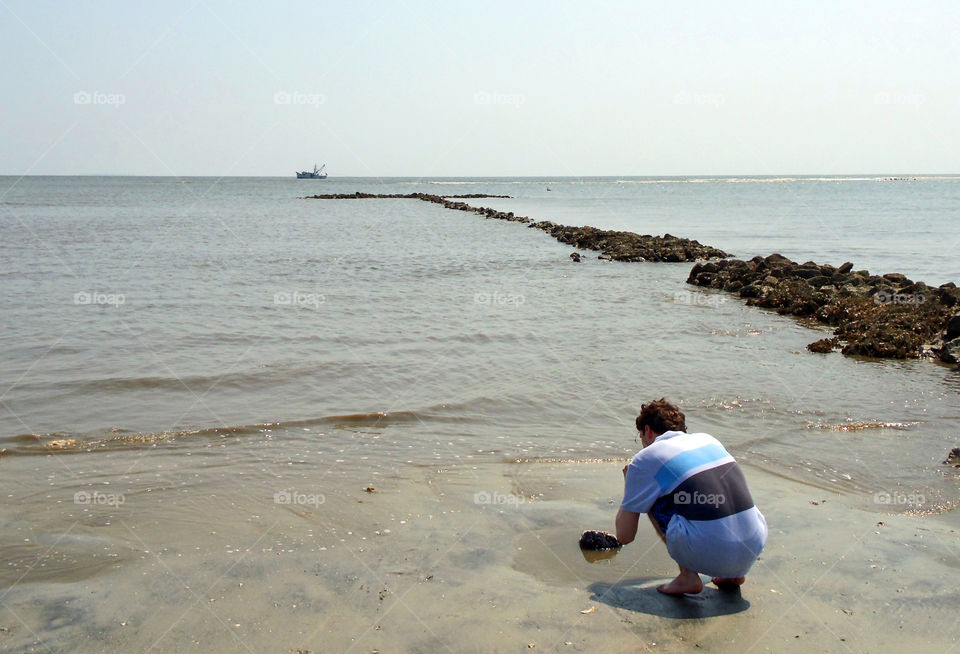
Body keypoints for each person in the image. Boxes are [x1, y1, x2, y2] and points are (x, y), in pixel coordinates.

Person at [615, 398, 767, 595]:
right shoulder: (708, 439)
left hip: (712, 549)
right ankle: (733, 574)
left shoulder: (647, 457)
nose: (643, 444)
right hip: (753, 545)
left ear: (648, 431)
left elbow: (624, 536)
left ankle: (688, 576)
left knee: (656, 495)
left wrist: (631, 486)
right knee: (714, 495)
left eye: (641, 437)